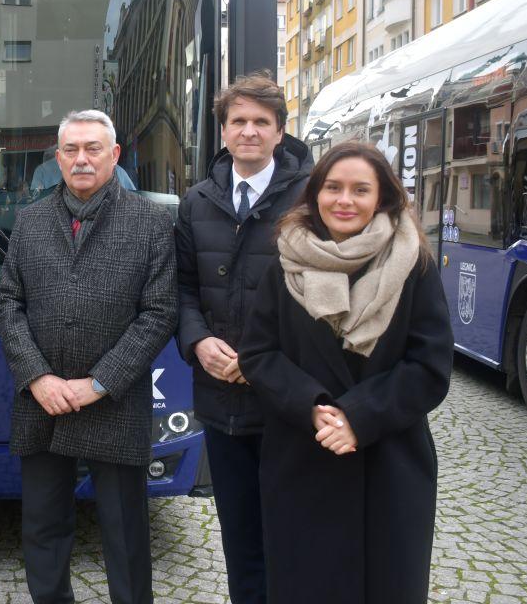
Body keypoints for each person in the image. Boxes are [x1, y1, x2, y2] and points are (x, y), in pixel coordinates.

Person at [238, 141, 454, 604]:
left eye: (360, 189)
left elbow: (430, 366)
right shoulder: (284, 264)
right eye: (333, 187)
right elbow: (259, 354)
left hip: (390, 467)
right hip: (302, 458)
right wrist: (313, 407)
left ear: (383, 198)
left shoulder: (413, 264)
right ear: (315, 193)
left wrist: (359, 416)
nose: (345, 200)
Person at [0, 109, 176, 604]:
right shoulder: (30, 221)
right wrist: (36, 377)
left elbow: (159, 314)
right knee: (43, 531)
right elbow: (8, 301)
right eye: (70, 150)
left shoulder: (151, 222)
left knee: (126, 537)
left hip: (114, 403)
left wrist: (98, 382)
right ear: (57, 158)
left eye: (92, 148)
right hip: (42, 401)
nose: (81, 159)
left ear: (114, 155)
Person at [173, 73, 311, 603]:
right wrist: (198, 342)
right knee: (239, 538)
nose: (249, 131)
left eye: (261, 122)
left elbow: (322, 300)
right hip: (220, 402)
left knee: (291, 535)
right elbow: (183, 289)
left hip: (286, 402)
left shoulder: (311, 198)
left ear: (279, 132)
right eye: (239, 121)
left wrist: (261, 360)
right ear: (223, 131)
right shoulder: (197, 202)